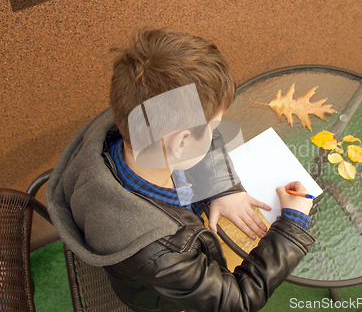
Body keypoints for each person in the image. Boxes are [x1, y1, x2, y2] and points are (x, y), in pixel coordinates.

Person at [46, 27, 315, 312]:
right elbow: (237, 301)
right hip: (160, 300)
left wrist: (222, 187)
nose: (215, 134)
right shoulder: (162, 252)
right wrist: (293, 226)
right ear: (181, 141)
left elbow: (191, 145)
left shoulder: (137, 121)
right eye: (213, 127)